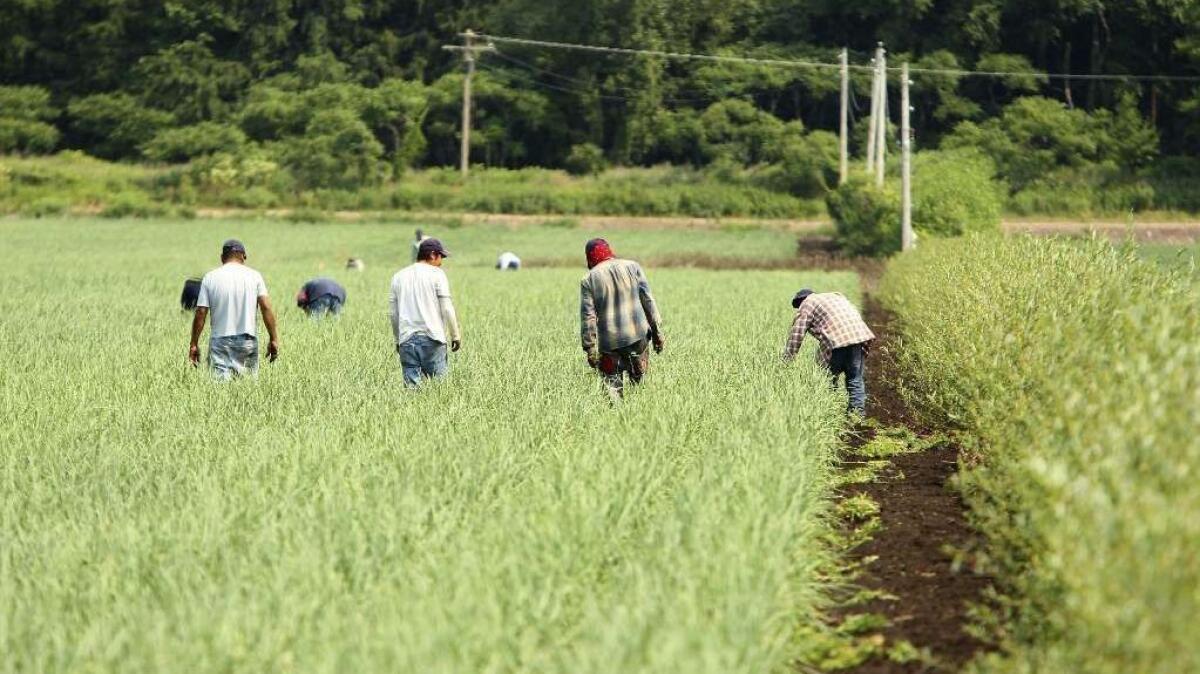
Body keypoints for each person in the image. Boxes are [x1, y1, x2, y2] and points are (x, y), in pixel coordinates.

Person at [579, 238, 664, 399]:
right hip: (639, 338)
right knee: (640, 390)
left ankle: (614, 421)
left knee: (613, 394)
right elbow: (648, 301)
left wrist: (590, 349)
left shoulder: (589, 279)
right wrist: (658, 333)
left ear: (589, 257)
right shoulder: (633, 266)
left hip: (610, 346)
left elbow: (588, 317)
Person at [188, 239, 280, 380]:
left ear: (222, 258)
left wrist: (194, 343)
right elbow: (266, 307)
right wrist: (273, 339)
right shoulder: (255, 276)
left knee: (219, 392)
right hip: (247, 340)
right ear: (243, 256)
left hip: (219, 341)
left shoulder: (210, 278)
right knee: (247, 388)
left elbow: (201, 312)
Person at [782, 289, 875, 416]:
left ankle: (830, 412)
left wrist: (786, 361)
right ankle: (857, 416)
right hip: (857, 337)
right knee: (855, 379)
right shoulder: (836, 296)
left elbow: (797, 334)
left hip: (836, 341)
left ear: (801, 301)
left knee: (827, 379)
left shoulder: (807, 303)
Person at [389, 238, 462, 388]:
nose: (441, 261)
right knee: (440, 391)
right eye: (441, 256)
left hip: (406, 341)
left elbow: (393, 314)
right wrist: (456, 336)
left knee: (412, 391)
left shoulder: (398, 277)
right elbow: (447, 308)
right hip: (433, 339)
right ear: (433, 255)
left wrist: (398, 340)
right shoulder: (437, 274)